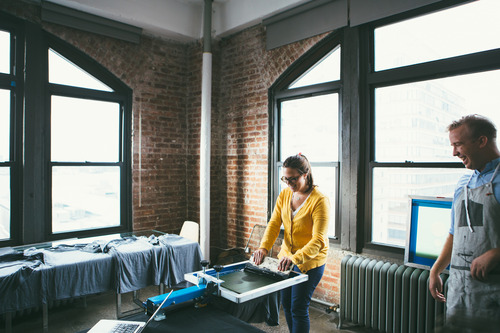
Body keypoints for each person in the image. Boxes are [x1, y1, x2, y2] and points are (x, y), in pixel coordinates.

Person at [429, 114, 500, 322]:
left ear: (481, 141)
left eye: (458, 144)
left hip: (493, 292)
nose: (454, 153)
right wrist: (436, 270)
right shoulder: (463, 184)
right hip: (460, 289)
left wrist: (496, 253)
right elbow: (455, 233)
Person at [252, 153, 330, 333]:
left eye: (293, 179)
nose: (289, 184)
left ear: (305, 174)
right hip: (286, 259)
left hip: (310, 262)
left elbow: (318, 239)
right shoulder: (285, 194)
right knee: (286, 304)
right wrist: (263, 248)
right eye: (285, 179)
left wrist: (295, 258)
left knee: (299, 308)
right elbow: (273, 224)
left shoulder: (320, 201)